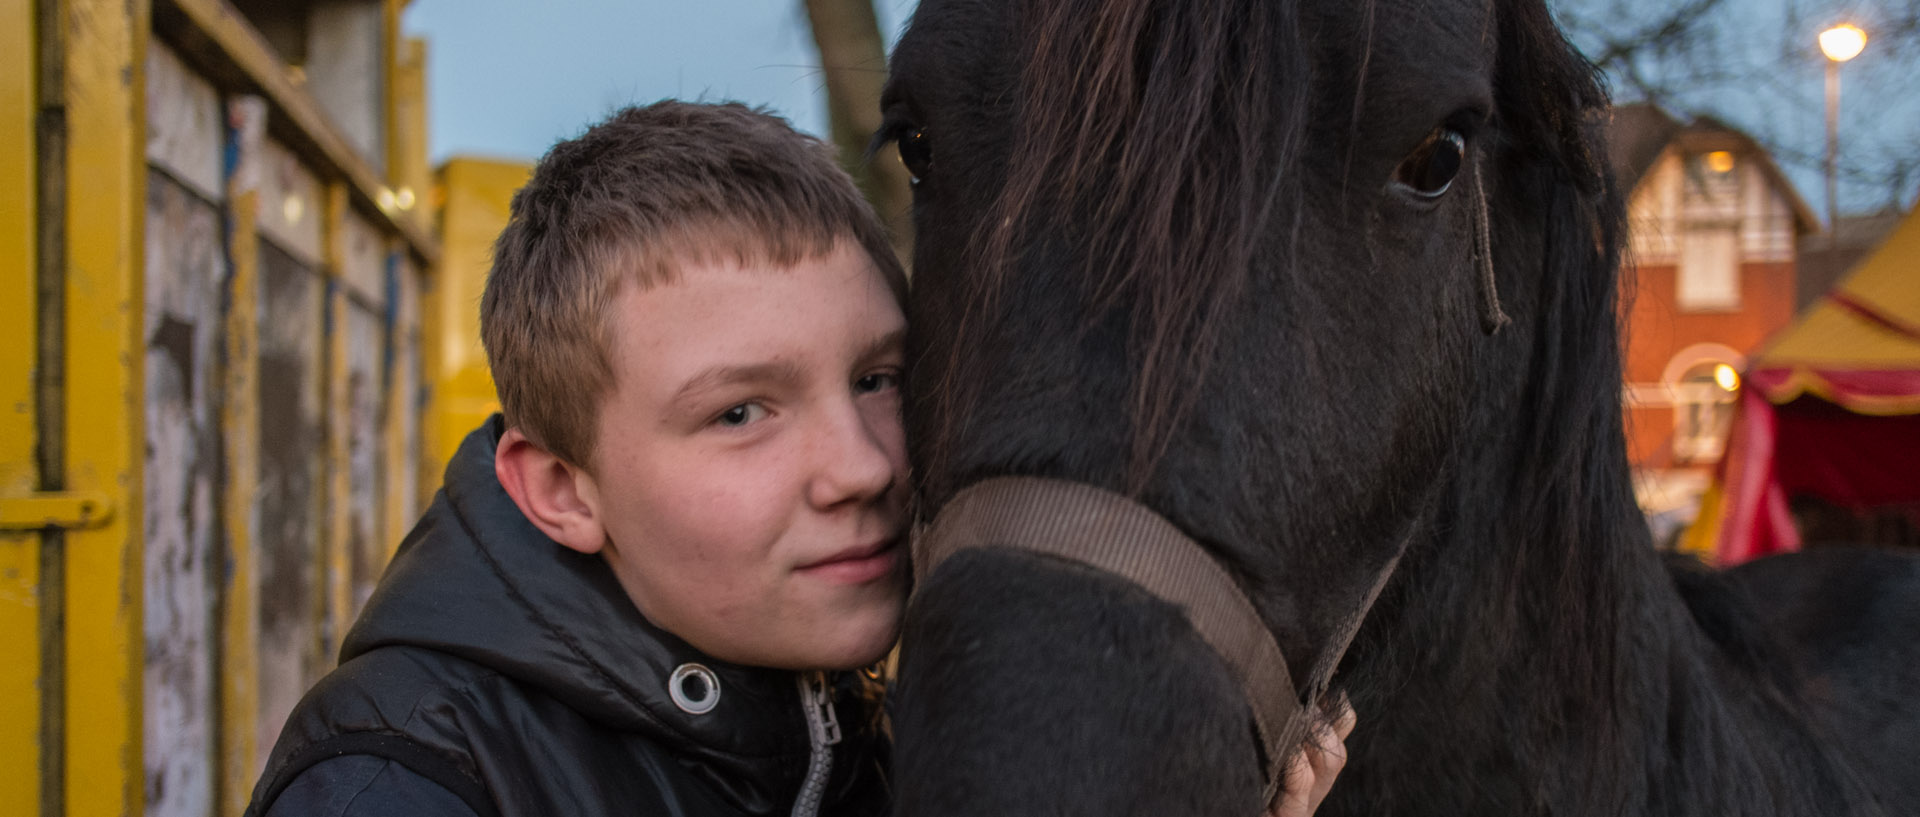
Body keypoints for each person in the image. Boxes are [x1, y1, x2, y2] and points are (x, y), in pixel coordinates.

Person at [244, 100, 1353, 817]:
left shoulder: (856, 726)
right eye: (740, 413)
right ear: (561, 490)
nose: (863, 465)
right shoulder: (402, 782)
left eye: (878, 376)